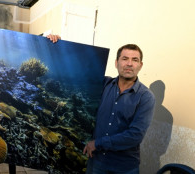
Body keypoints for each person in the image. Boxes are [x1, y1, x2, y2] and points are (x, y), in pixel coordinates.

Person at [47, 35, 155, 174]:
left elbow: (135, 135)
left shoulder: (146, 97)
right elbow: (80, 68)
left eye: (135, 60)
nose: (129, 63)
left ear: (140, 65)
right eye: (125, 58)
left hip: (124, 167)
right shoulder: (103, 84)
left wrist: (98, 143)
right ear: (116, 63)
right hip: (96, 162)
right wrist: (56, 45)